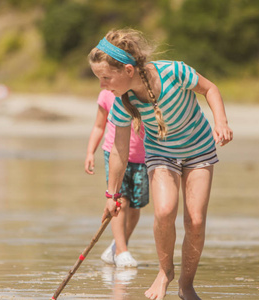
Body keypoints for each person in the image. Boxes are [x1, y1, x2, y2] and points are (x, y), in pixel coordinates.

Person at [88, 29, 233, 300]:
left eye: (106, 77)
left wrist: (221, 122)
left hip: (199, 149)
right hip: (161, 153)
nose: (102, 85)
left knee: (196, 220)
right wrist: (112, 195)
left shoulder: (174, 72)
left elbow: (210, 88)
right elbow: (119, 152)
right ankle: (165, 272)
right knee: (165, 211)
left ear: (128, 70)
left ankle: (186, 286)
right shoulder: (123, 102)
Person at [85, 89, 149, 268]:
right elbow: (99, 126)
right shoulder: (107, 94)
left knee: (136, 206)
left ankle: (116, 246)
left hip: (143, 158)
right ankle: (122, 250)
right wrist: (90, 152)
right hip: (115, 154)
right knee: (121, 200)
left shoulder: (142, 92)